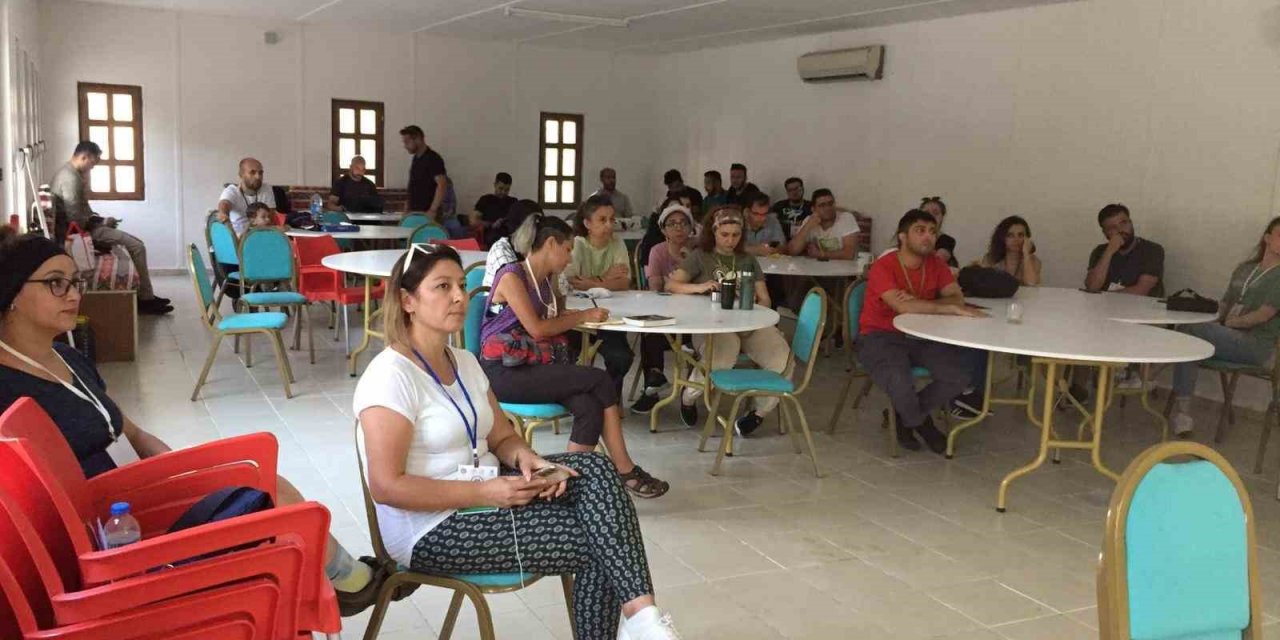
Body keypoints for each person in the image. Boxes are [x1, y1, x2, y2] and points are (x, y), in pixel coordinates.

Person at [0, 233, 385, 616]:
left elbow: (127, 430)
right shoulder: (7, 388)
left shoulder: (67, 356)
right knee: (274, 512)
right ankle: (345, 585)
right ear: (12, 292)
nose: (72, 293)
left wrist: (184, 472)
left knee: (264, 483)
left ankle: (339, 584)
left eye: (75, 281)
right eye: (55, 283)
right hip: (106, 536)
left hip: (126, 501)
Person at [355, 244, 680, 640]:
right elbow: (386, 486)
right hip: (430, 529)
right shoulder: (391, 376)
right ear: (408, 300)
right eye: (442, 287)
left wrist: (529, 459)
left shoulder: (466, 362)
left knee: (595, 468)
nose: (459, 296)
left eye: (460, 284)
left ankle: (642, 617)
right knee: (598, 542)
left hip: (486, 491)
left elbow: (502, 436)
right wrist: (487, 493)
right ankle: (643, 623)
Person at [481, 215, 670, 500]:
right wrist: (582, 316)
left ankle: (564, 484)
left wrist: (567, 305)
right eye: (567, 249)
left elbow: (552, 316)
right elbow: (538, 328)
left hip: (534, 366)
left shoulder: (545, 280)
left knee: (588, 405)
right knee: (600, 379)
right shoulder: (511, 275)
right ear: (550, 243)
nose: (570, 258)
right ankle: (624, 468)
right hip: (503, 372)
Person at [857, 209, 984, 453]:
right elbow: (901, 306)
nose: (928, 237)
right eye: (920, 231)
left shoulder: (936, 264)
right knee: (899, 379)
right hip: (879, 335)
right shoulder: (884, 266)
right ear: (903, 236)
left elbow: (956, 297)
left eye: (932, 232)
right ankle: (923, 424)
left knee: (959, 376)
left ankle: (904, 414)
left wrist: (919, 302)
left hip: (922, 336)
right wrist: (940, 306)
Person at [665, 205, 792, 435]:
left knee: (781, 355)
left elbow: (765, 299)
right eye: (724, 235)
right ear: (713, 233)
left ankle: (758, 412)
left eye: (735, 235)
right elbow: (671, 285)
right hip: (711, 325)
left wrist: (751, 300)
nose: (730, 240)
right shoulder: (701, 257)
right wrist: (700, 287)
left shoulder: (748, 260)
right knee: (724, 350)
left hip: (747, 322)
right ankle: (690, 396)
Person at [1168, 218, 1280, 438]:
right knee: (1189, 334)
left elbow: (1263, 315)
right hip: (1228, 335)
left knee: (1193, 335)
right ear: (1267, 238)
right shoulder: (1244, 269)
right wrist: (1201, 313)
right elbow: (1225, 304)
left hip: (1256, 344)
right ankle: (1183, 413)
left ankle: (1150, 378)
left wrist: (1228, 323)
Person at [49, 142, 170, 315]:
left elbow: (79, 213)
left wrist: (101, 219)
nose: (93, 168)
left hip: (83, 229)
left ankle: (145, 295)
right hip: (81, 233)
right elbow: (76, 220)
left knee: (137, 244)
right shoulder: (70, 178)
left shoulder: (68, 173)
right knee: (137, 246)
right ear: (84, 157)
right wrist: (101, 222)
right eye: (93, 163)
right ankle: (145, 299)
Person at [565, 195, 635, 397]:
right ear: (587, 223)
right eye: (602, 220)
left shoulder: (617, 243)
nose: (609, 225)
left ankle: (609, 399)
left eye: (612, 219)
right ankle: (575, 396)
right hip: (578, 315)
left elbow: (623, 283)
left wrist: (591, 282)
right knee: (569, 356)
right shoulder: (578, 244)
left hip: (610, 315)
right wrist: (605, 278)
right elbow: (573, 282)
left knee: (622, 357)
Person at [632, 204, 695, 414]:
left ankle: (690, 396)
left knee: (698, 344)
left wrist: (688, 263)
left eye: (683, 223)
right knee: (650, 332)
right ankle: (652, 384)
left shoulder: (698, 251)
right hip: (667, 310)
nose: (678, 228)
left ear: (691, 227)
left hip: (696, 314)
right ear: (663, 229)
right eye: (672, 224)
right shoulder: (657, 251)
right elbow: (655, 288)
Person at [1085, 203, 1164, 296]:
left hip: (1141, 308)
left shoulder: (1152, 250)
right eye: (1112, 227)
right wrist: (1109, 251)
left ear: (1131, 223)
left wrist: (1104, 297)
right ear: (1105, 232)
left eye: (1123, 223)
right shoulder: (1100, 251)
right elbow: (1092, 287)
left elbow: (1141, 290)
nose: (1120, 230)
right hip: (1105, 308)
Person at [785, 189, 857, 260]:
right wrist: (808, 226)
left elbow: (849, 254)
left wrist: (821, 254)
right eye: (822, 205)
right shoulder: (810, 220)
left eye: (830, 203)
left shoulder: (846, 217)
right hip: (819, 269)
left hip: (846, 269)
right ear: (813, 209)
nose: (827, 208)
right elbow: (792, 251)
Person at [217, 157, 279, 236]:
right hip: (237, 242)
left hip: (259, 237)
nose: (258, 177)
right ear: (241, 175)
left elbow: (270, 219)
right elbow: (224, 204)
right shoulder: (232, 190)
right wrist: (223, 214)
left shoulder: (266, 189)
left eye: (260, 173)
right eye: (252, 172)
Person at [976, 215, 1041, 286]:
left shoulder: (1033, 260)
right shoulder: (990, 259)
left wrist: (1026, 254)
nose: (1016, 240)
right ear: (1002, 238)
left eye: (1021, 235)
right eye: (1010, 235)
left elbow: (1031, 283)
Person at [400, 124, 448, 221]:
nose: (405, 146)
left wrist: (432, 210)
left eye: (407, 142)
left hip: (428, 213)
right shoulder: (416, 159)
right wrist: (406, 209)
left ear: (418, 139)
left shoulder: (433, 159)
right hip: (414, 213)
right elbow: (412, 186)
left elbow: (442, 185)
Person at [473, 173, 515, 245]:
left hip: (509, 233)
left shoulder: (513, 201)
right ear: (495, 185)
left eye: (507, 190)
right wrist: (491, 224)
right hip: (492, 233)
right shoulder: (485, 200)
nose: (503, 192)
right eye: (501, 188)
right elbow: (473, 220)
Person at [742, 191, 785, 257]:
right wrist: (754, 250)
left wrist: (775, 249)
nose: (762, 218)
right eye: (756, 214)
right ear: (747, 211)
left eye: (765, 214)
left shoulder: (772, 220)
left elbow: (782, 246)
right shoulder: (738, 222)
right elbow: (730, 247)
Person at [920, 197, 958, 268]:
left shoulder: (947, 240)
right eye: (926, 213)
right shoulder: (912, 239)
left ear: (942, 217)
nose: (930, 216)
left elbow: (937, 262)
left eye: (936, 213)